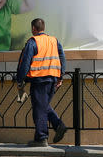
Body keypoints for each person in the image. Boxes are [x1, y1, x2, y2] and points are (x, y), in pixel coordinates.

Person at [16, 18, 67, 147]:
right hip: (52, 79)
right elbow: (62, 58)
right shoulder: (54, 41)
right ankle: (58, 125)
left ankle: (41, 138)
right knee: (43, 106)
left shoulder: (33, 42)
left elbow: (26, 62)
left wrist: (20, 79)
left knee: (39, 109)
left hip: (39, 79)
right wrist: (61, 76)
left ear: (34, 28)